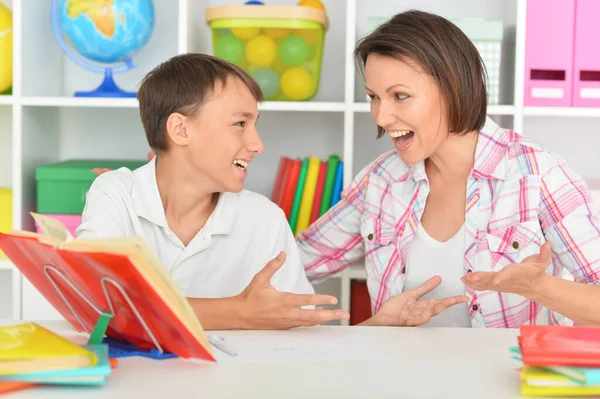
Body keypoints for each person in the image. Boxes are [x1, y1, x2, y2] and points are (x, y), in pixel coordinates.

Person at [81, 53, 465, 330]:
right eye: (240, 124)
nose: (257, 144)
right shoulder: (115, 194)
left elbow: (298, 336)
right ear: (180, 130)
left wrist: (376, 327)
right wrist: (238, 312)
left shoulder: (262, 218)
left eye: (255, 123)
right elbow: (97, 305)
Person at [296, 10, 600, 328]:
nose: (382, 117)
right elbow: (296, 264)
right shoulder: (381, 180)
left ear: (453, 88)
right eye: (374, 97)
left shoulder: (537, 174)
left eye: (400, 96)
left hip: (506, 377)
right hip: (397, 375)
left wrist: (540, 288)